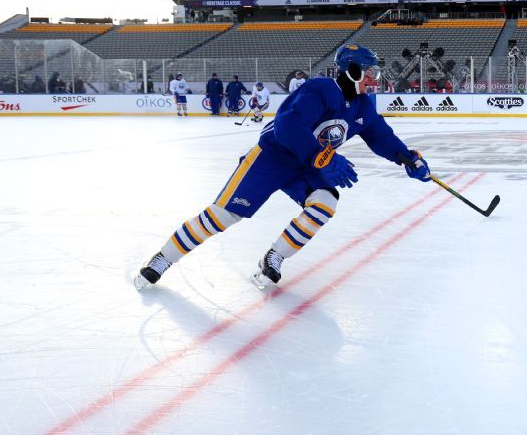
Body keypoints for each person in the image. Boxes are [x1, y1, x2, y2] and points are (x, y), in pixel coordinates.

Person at [134, 45, 432, 290]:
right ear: (352, 70)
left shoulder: (364, 105)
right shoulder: (320, 89)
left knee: (325, 203)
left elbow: (379, 134)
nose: (374, 79)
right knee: (224, 216)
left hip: (306, 164)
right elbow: (287, 126)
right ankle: (163, 258)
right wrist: (323, 158)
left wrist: (407, 158)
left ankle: (274, 257)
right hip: (272, 158)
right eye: (370, 73)